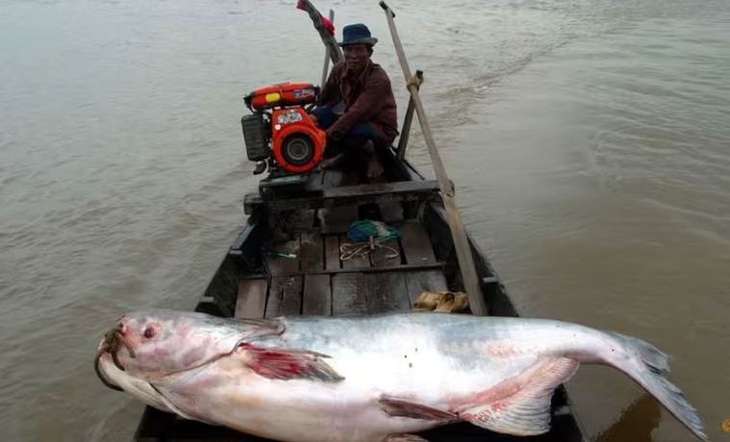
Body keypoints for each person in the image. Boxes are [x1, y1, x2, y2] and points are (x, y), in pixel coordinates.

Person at [311, 23, 398, 180]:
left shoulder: (378, 79)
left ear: (369, 52)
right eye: (349, 50)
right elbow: (326, 100)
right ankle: (343, 154)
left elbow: (356, 113)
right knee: (319, 115)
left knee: (354, 131)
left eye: (359, 50)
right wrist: (311, 120)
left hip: (377, 129)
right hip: (353, 120)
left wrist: (325, 136)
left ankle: (374, 157)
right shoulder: (339, 69)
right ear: (343, 52)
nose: (353, 55)